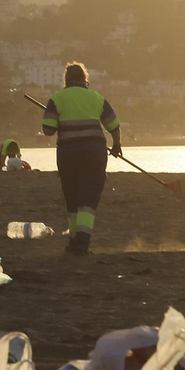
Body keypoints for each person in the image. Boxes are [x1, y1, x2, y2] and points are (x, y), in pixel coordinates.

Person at [40, 62, 122, 255]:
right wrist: (117, 145)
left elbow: (48, 130)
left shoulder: (57, 99)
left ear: (66, 80)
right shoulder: (96, 98)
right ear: (85, 79)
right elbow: (114, 125)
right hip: (94, 153)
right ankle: (82, 242)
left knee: (73, 197)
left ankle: (74, 240)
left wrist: (58, 119)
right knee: (89, 197)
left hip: (68, 154)